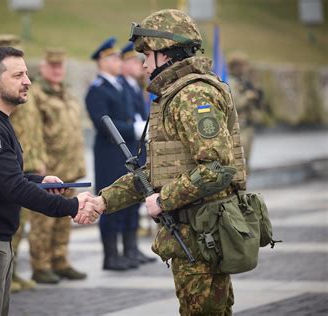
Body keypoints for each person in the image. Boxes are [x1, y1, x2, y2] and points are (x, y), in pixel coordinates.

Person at [92, 9, 247, 315]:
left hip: (203, 238)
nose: (143, 63)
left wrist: (163, 200)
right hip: (194, 235)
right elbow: (157, 170)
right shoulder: (175, 95)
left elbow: (217, 169)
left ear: (168, 54)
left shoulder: (192, 96)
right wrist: (103, 202)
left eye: (147, 53)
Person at [0, 46, 100, 316]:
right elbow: (13, 187)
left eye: (26, 74)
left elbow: (3, 177)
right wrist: (72, 207)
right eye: (18, 75)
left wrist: (41, 181)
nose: (27, 81)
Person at [28, 48, 87, 284]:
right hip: (49, 169)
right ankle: (40, 266)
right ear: (42, 68)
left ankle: (59, 260)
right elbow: (33, 133)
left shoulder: (67, 94)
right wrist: (37, 163)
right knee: (43, 220)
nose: (57, 70)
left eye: (60, 66)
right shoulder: (36, 94)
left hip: (70, 167)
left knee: (64, 218)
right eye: (52, 66)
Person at [85, 37, 143, 271]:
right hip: (109, 154)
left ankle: (128, 250)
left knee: (130, 199)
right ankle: (111, 255)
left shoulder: (120, 86)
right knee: (109, 201)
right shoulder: (97, 90)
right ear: (102, 60)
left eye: (119, 57)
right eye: (114, 57)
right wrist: (134, 128)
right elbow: (104, 124)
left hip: (127, 151)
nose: (118, 61)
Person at [0, 33, 41, 293]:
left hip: (31, 160)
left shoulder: (23, 87)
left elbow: (34, 127)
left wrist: (39, 158)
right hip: (11, 162)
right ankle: (5, 275)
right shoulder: (4, 88)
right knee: (9, 224)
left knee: (20, 225)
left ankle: (12, 270)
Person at [118, 42, 155, 264]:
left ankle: (132, 248)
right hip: (124, 151)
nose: (139, 65)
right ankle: (121, 251)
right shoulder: (123, 86)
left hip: (137, 149)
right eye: (132, 60)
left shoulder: (135, 86)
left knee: (135, 202)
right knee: (124, 201)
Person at [227, 52, 264, 166]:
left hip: (248, 125)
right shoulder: (230, 83)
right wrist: (247, 97)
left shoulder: (244, 81)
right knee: (240, 160)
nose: (246, 68)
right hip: (239, 128)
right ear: (235, 66)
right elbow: (233, 104)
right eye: (243, 65)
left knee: (246, 161)